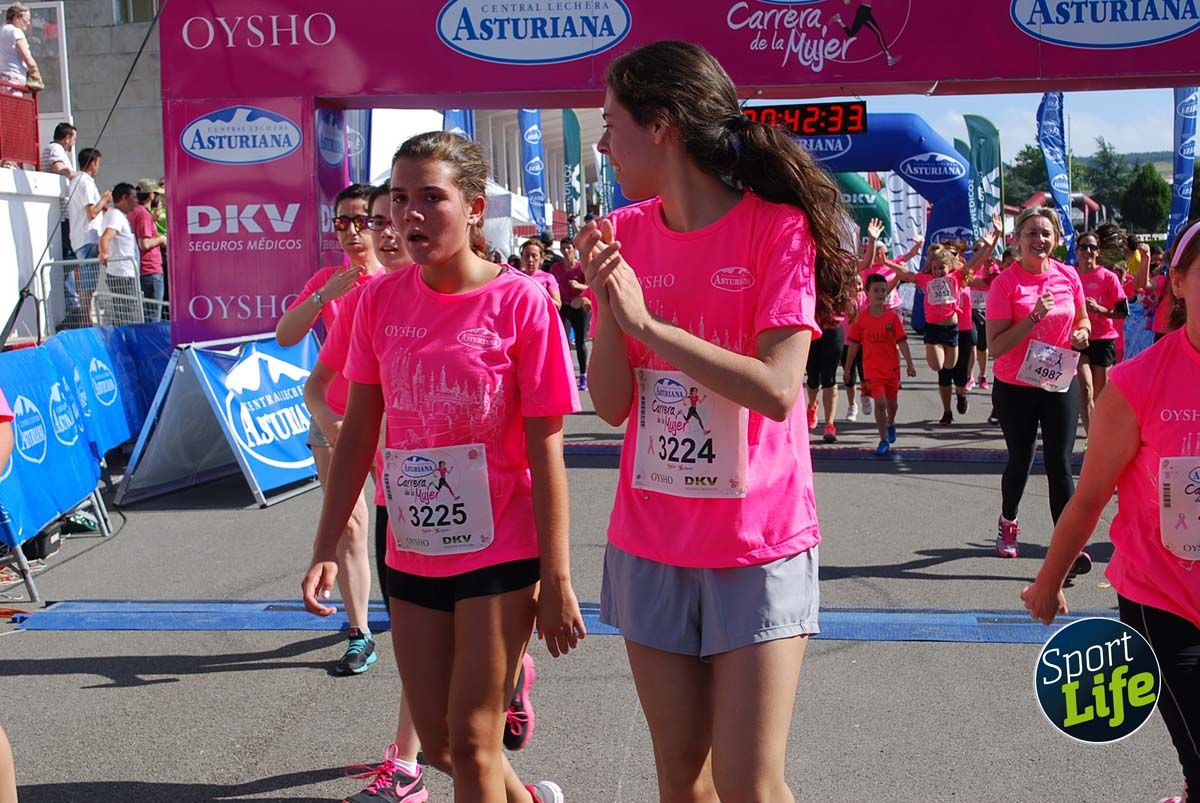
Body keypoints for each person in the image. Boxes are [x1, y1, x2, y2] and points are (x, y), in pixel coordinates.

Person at [580, 40, 854, 802]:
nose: (604, 143)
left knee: (749, 783)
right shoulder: (624, 233)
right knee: (681, 778)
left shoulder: (776, 230)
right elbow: (610, 404)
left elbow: (776, 387)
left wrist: (650, 323)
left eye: (612, 124)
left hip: (755, 543)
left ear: (661, 123)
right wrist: (609, 305)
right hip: (651, 541)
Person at [304, 132, 583, 803]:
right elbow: (360, 429)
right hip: (415, 548)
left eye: (432, 196)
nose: (410, 215)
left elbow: (548, 452)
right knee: (438, 742)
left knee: (477, 738)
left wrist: (557, 575)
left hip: (501, 548)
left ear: (475, 207)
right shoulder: (379, 301)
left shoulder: (523, 303)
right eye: (399, 199)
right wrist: (325, 544)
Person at [1021, 217, 1200, 803]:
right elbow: (1091, 495)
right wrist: (1048, 582)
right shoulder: (1139, 382)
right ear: (1178, 282)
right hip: (1165, 598)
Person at [279, 183, 382, 676]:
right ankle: (360, 631)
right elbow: (286, 335)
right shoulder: (329, 280)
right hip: (332, 418)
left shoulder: (405, 278)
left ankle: (421, 610)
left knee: (405, 522)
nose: (352, 233)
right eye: (341, 223)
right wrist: (324, 295)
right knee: (349, 525)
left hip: (395, 420)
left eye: (362, 220)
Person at [986, 206, 1092, 568]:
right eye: (1031, 232)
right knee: (1021, 459)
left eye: (1046, 233)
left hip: (1059, 379)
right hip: (1015, 385)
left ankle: (1067, 548)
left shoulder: (1068, 276)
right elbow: (996, 346)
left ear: (1057, 239)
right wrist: (1034, 317)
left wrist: (1082, 334)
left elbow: (1083, 320)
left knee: (1060, 464)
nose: (1039, 239)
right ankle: (1008, 520)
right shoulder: (1006, 284)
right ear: (1017, 239)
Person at [844, 274, 917, 456]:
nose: (880, 294)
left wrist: (910, 364)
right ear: (867, 292)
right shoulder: (861, 320)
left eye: (883, 290)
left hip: (891, 368)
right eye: (876, 290)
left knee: (892, 405)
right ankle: (883, 439)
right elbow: (853, 345)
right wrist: (847, 369)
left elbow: (902, 342)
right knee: (881, 403)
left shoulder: (892, 318)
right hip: (872, 369)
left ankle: (891, 422)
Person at [1073, 230, 1128, 436]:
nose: (1088, 251)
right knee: (1085, 389)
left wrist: (1100, 310)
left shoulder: (1108, 277)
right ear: (1077, 251)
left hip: (1103, 340)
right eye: (1083, 247)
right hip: (1078, 339)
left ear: (1099, 252)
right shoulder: (1071, 276)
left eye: (1092, 247)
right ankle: (1091, 437)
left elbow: (1123, 313)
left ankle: (1102, 433)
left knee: (1099, 396)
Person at [66, 148, 108, 324]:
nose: (98, 167)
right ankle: (86, 318)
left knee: (87, 280)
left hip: (80, 238)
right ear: (92, 163)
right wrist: (105, 199)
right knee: (88, 282)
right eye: (98, 163)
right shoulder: (86, 182)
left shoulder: (76, 181)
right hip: (88, 237)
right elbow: (91, 212)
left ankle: (86, 317)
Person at [805, 291, 850, 443]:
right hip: (812, 326)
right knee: (812, 376)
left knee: (829, 377)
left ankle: (829, 424)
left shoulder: (839, 273)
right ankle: (812, 406)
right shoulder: (810, 272)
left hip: (834, 327)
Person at [550, 237, 591, 390]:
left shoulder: (582, 267)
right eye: (564, 249)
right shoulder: (556, 268)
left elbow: (592, 288)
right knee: (562, 342)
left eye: (569, 248)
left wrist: (579, 290)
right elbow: (551, 286)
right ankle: (565, 374)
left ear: (574, 250)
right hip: (564, 308)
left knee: (580, 343)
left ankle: (583, 376)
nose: (566, 251)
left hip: (579, 308)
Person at [98, 183, 140, 322]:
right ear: (124, 198)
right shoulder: (115, 215)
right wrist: (104, 253)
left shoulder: (118, 215)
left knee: (125, 314)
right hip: (122, 275)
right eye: (134, 197)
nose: (137, 201)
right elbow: (106, 237)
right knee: (126, 315)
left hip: (125, 274)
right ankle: (125, 341)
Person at [130, 178, 167, 322]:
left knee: (148, 314)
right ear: (151, 195)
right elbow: (144, 243)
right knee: (153, 316)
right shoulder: (143, 214)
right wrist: (162, 239)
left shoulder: (136, 212)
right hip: (150, 269)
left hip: (144, 269)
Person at [0, 3, 39, 96]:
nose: (28, 23)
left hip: (2, 81)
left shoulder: (1, 30)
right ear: (17, 18)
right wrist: (35, 73)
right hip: (13, 81)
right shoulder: (16, 31)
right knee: (13, 109)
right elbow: (27, 58)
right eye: (26, 20)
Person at [517, 238, 562, 309]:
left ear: (541, 259)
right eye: (527, 256)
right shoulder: (517, 278)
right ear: (522, 258)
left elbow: (558, 305)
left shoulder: (548, 278)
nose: (530, 260)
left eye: (534, 256)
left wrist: (539, 296)